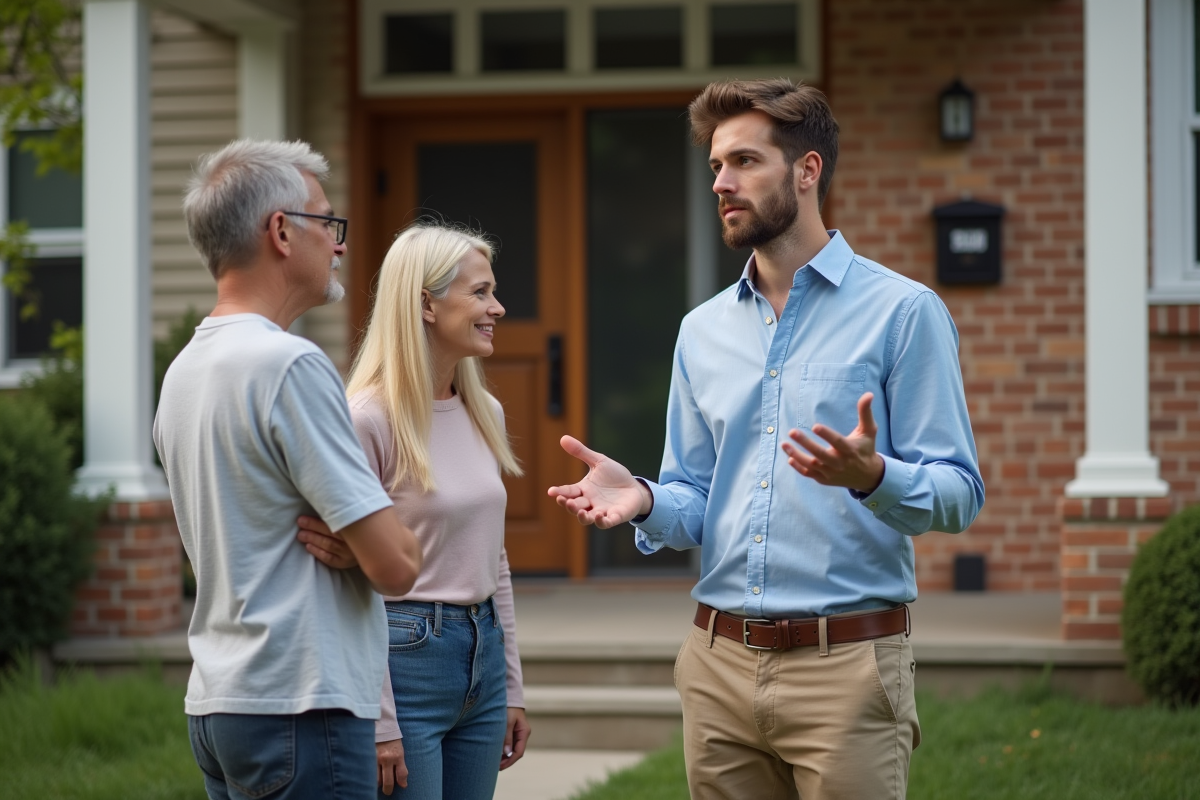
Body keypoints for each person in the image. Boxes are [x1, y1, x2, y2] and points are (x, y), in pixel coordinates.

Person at [547, 79, 985, 800]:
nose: (721, 182)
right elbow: (694, 497)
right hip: (716, 664)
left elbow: (958, 494)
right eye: (716, 165)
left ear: (807, 170)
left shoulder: (904, 313)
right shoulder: (702, 330)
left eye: (745, 161)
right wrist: (647, 499)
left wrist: (874, 476)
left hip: (845, 665)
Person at [155, 139, 423, 800]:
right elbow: (398, 565)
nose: (338, 245)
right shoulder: (289, 365)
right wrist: (375, 546)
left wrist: (355, 543)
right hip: (302, 703)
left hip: (222, 702)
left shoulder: (183, 371)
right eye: (327, 223)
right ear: (280, 231)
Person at [298, 221, 531, 799]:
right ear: (426, 304)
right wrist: (380, 722)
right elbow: (347, 582)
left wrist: (512, 687)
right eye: (480, 293)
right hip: (404, 662)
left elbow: (492, 559)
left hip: (483, 654)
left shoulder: (485, 413)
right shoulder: (365, 420)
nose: (497, 308)